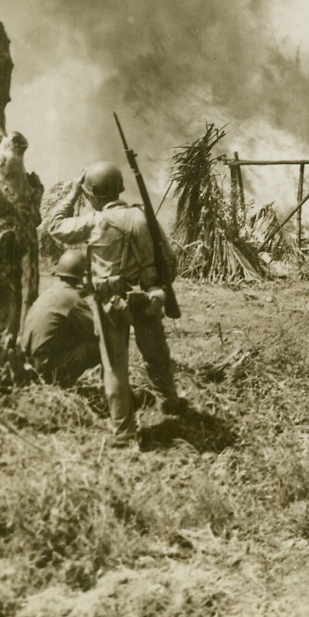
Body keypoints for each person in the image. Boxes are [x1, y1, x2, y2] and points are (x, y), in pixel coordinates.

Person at [43, 160, 183, 443]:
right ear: (119, 190)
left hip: (111, 303)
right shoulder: (145, 217)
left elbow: (54, 226)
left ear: (92, 194)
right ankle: (169, 402)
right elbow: (170, 260)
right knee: (156, 353)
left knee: (115, 366)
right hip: (148, 298)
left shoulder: (95, 221)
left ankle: (123, 430)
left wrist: (71, 194)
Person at [19, 249, 102, 386]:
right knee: (99, 347)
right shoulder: (72, 299)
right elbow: (97, 330)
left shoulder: (52, 291)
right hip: (44, 369)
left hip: (31, 363)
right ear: (84, 275)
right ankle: (61, 383)